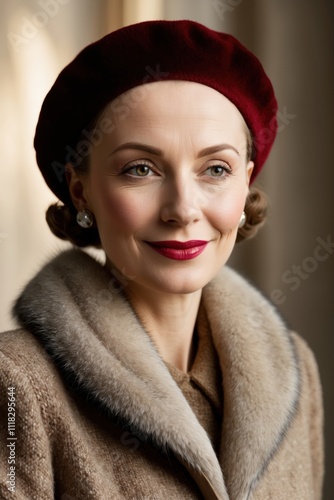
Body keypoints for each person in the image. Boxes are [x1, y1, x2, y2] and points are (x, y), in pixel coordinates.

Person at [0, 20, 323, 500]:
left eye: (216, 169)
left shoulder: (296, 369)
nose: (183, 210)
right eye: (140, 169)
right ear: (80, 190)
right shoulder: (15, 383)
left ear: (246, 183)